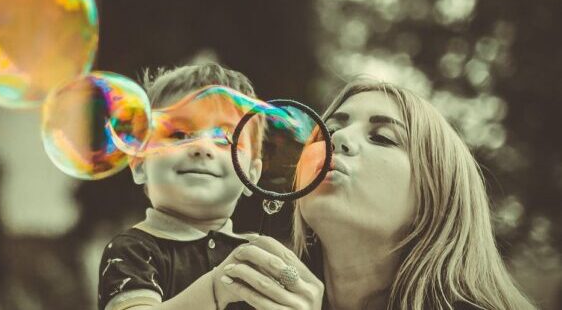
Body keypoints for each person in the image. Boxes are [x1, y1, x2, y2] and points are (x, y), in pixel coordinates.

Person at [212, 79, 537, 309]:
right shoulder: (247, 296)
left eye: (382, 137)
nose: (337, 140)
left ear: (435, 196)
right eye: (330, 130)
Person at [97, 63, 264, 310]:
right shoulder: (133, 250)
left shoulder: (257, 255)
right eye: (179, 135)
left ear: (252, 175)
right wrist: (215, 290)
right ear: (140, 164)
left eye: (225, 138)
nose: (202, 147)